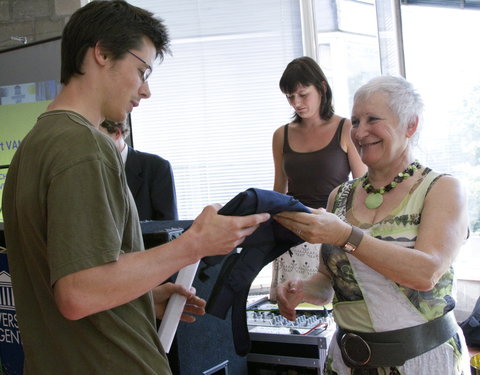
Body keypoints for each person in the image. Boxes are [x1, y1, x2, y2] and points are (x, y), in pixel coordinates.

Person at [1, 2, 269, 374]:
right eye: (141, 71)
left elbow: (73, 281)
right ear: (102, 53)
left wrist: (141, 298)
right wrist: (193, 244)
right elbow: (78, 293)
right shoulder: (84, 145)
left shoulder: (31, 148)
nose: (145, 91)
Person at [273, 75, 471, 374]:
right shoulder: (340, 196)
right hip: (347, 362)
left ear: (410, 125)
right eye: (354, 121)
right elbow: (328, 284)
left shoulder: (442, 189)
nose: (360, 132)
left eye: (372, 119)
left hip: (423, 361)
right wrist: (303, 289)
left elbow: (425, 272)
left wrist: (346, 235)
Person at [270, 56, 366, 299]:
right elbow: (278, 191)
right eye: (290, 97)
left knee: (334, 308)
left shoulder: (346, 128)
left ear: (322, 88)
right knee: (291, 307)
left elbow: (362, 187)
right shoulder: (281, 135)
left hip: (333, 232)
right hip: (292, 234)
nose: (296, 103)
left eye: (303, 94)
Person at [100, 119, 178, 221]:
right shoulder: (88, 169)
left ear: (117, 133)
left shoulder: (157, 166)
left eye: (97, 136)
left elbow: (168, 225)